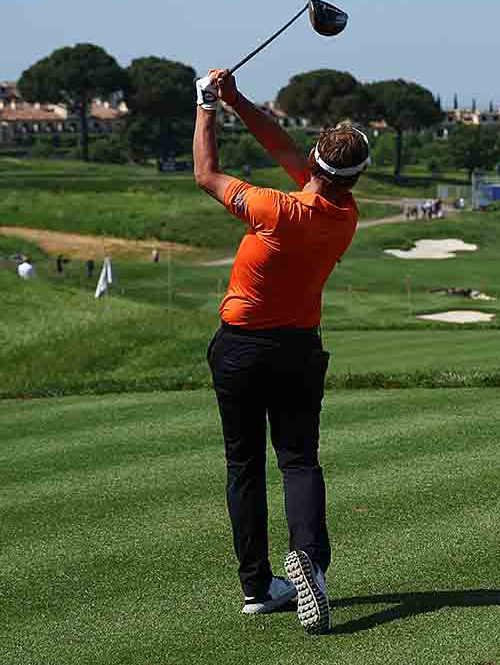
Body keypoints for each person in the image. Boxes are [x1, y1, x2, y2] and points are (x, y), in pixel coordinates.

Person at [194, 68, 365, 634]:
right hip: (298, 349)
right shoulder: (344, 218)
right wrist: (237, 99)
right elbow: (287, 150)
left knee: (243, 464)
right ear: (355, 177)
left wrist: (207, 106)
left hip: (239, 349)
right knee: (298, 459)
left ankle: (258, 588)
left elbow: (206, 174)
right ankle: (310, 565)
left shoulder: (272, 209)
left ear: (314, 163)